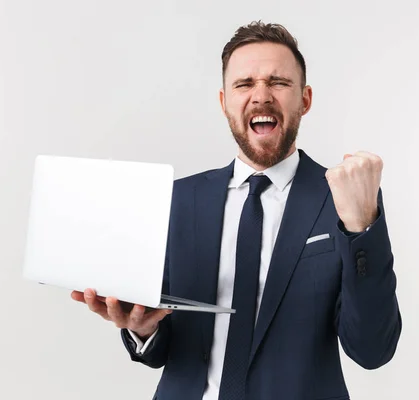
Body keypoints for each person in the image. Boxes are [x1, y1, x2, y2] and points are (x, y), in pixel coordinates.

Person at [71, 21, 402, 400]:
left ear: (305, 100)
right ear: (224, 101)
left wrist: (362, 226)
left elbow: (373, 350)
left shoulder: (344, 199)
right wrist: (142, 328)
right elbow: (163, 344)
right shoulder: (180, 200)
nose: (261, 96)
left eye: (278, 82)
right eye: (244, 84)